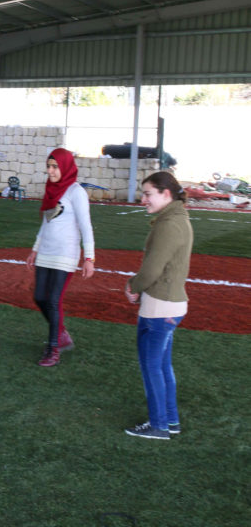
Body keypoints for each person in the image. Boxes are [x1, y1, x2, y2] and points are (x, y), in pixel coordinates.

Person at [123, 172, 193, 440]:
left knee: (152, 367)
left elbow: (152, 268)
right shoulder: (176, 219)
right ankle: (170, 421)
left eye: (148, 194)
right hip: (168, 305)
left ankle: (159, 425)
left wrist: (133, 286)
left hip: (160, 307)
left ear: (166, 194)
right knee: (162, 367)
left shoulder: (169, 224)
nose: (143, 199)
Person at [26, 148, 95, 367]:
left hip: (65, 254)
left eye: (55, 166)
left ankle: (53, 348)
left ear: (65, 166)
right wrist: (35, 248)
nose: (51, 171)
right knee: (39, 297)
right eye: (48, 166)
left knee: (54, 300)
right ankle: (61, 334)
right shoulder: (50, 189)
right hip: (46, 251)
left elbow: (86, 225)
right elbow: (46, 222)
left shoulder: (76, 192)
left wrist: (89, 257)